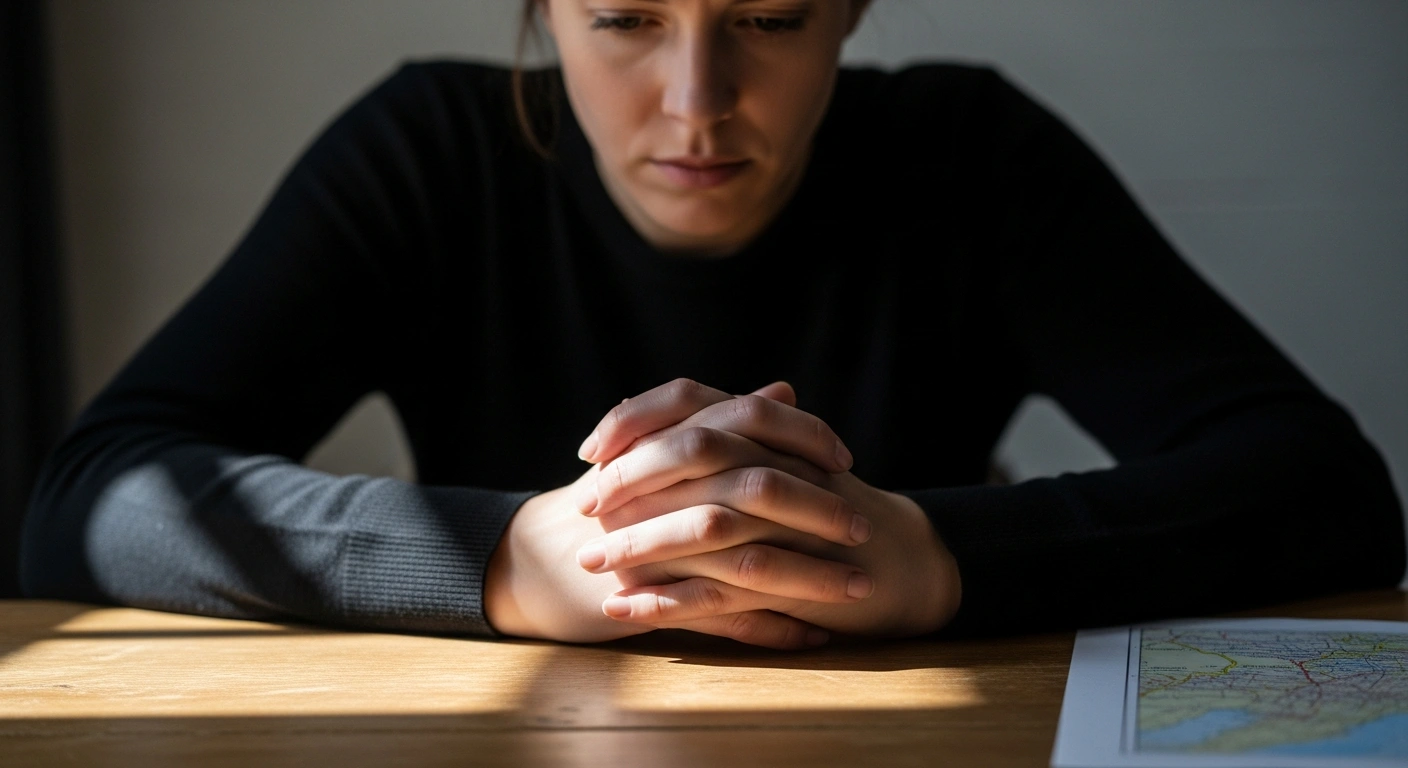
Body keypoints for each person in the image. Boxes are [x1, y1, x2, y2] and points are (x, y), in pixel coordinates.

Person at [20, 0, 1405, 650]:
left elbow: (1325, 485)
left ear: (853, 7)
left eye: (768, 16)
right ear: (543, 9)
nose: (696, 97)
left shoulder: (971, 156)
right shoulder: (427, 152)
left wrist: (932, 555)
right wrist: (505, 562)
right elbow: (92, 497)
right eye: (626, 16)